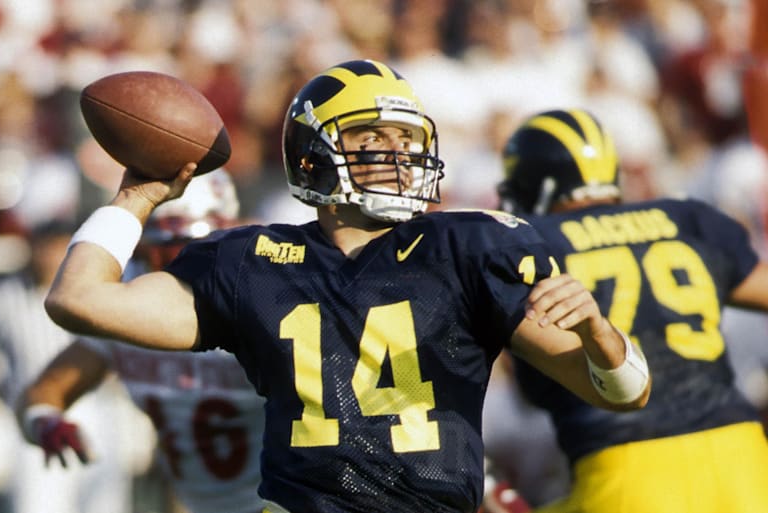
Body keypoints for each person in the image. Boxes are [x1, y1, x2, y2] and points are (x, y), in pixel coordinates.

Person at [43, 59, 650, 513]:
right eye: (373, 139)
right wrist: (137, 194)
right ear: (313, 156)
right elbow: (79, 300)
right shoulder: (251, 261)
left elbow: (624, 393)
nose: (399, 155)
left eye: (408, 140)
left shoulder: (467, 249)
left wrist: (600, 335)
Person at [496, 108, 768, 513]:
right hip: (745, 461)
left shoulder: (531, 244)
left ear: (537, 183)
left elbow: (526, 389)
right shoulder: (689, 219)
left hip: (624, 470)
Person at [16, 170, 266, 513]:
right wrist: (44, 421)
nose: (175, 262)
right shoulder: (130, 306)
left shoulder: (258, 302)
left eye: (188, 245)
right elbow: (45, 390)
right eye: (161, 247)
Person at [0, 220, 136, 513]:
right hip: (37, 415)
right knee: (38, 504)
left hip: (96, 410)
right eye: (46, 248)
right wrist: (9, 397)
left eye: (60, 248)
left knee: (104, 504)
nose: (52, 257)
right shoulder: (6, 296)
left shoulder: (98, 292)